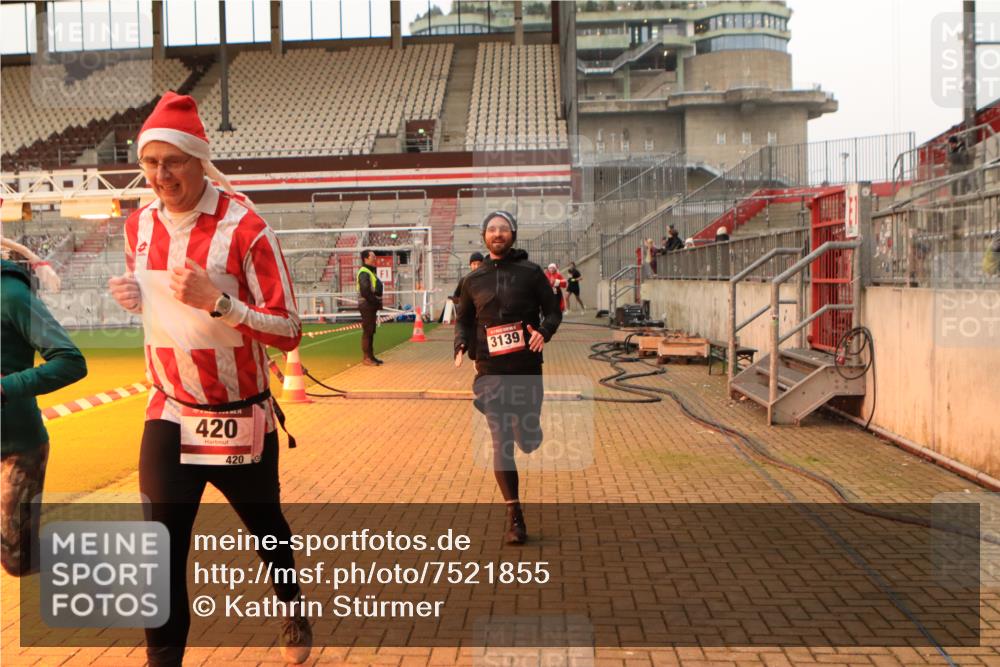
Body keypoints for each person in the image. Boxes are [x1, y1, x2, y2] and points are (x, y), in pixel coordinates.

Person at [106, 92, 311, 666]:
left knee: (267, 528)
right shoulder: (140, 223)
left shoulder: (247, 228)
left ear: (200, 160)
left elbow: (290, 330)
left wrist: (224, 304)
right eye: (150, 163)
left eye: (173, 161)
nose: (160, 175)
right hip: (169, 412)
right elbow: (159, 304)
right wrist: (131, 296)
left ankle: (291, 604)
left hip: (239, 417)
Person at [454, 211, 561, 545]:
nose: (497, 234)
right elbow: (463, 319)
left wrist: (544, 331)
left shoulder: (530, 273)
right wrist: (460, 343)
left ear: (513, 234)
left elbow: (554, 310)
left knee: (527, 441)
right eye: (491, 229)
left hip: (526, 369)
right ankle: (515, 518)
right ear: (484, 236)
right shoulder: (473, 279)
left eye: (503, 229)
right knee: (501, 445)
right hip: (490, 371)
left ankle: (528, 427)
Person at [1, 239, 87, 577]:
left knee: (17, 563)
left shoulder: (11, 295)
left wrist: (5, 388)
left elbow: (71, 362)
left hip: (15, 449)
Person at [357, 249, 384, 366]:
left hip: (370, 304)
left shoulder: (369, 272)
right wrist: (375, 302)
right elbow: (365, 291)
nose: (375, 259)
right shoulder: (364, 272)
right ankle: (367, 358)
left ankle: (371, 356)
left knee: (371, 331)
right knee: (368, 331)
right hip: (367, 304)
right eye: (372, 257)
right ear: (366, 259)